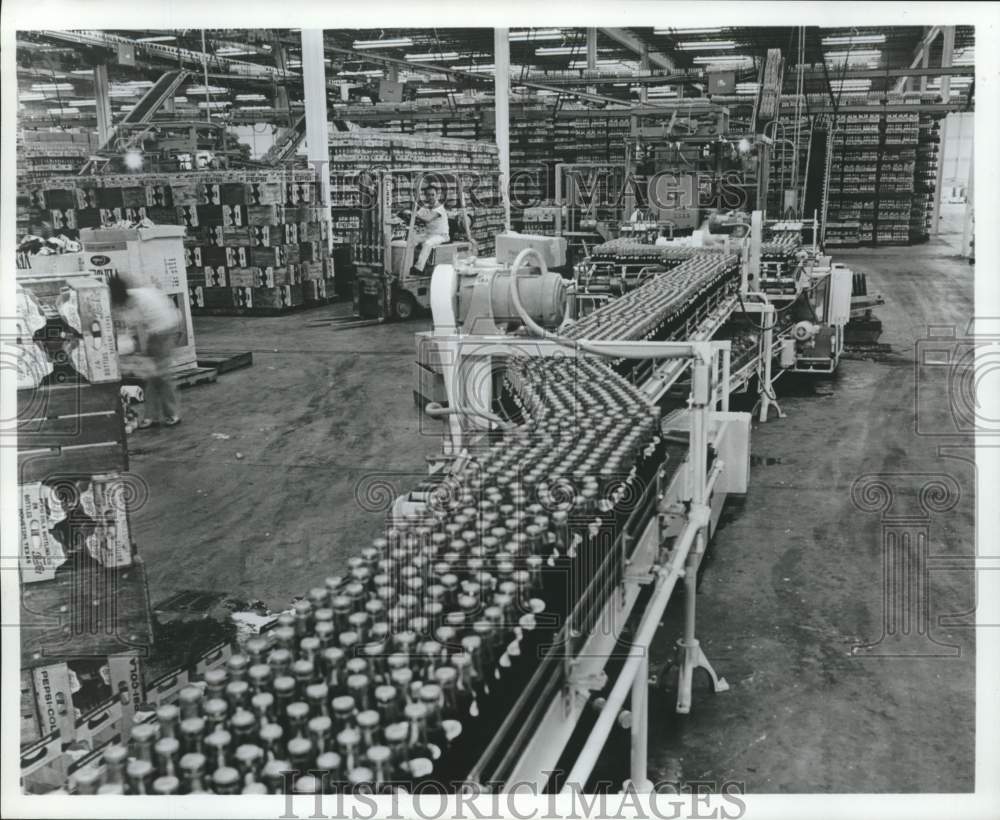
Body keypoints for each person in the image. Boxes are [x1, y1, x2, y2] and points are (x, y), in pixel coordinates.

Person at [109, 277, 181, 428]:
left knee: (160, 374)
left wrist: (138, 354)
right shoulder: (134, 295)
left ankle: (171, 414)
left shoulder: (133, 301)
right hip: (164, 325)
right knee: (152, 375)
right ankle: (152, 416)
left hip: (163, 329)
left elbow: (139, 333)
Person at [410, 185, 450, 276]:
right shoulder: (426, 206)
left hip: (441, 236)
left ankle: (418, 268)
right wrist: (410, 215)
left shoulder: (439, 208)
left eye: (433, 195)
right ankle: (409, 263)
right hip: (429, 234)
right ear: (425, 196)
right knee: (412, 240)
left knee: (428, 243)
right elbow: (417, 215)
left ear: (437, 195)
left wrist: (415, 215)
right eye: (428, 195)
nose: (431, 197)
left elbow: (428, 219)